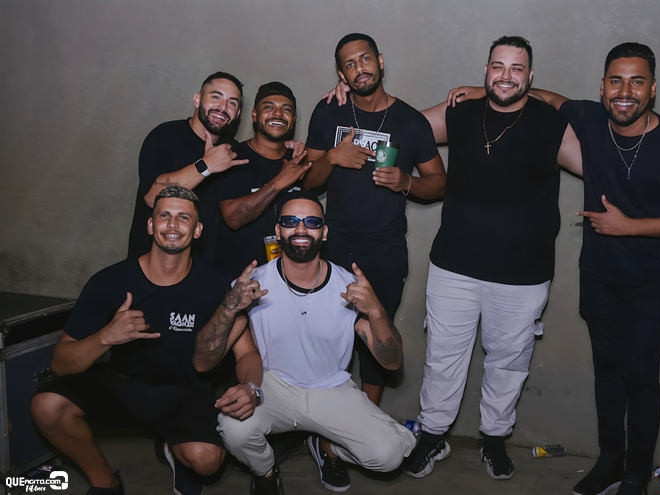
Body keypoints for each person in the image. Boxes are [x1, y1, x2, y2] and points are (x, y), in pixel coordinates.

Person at [525, 43, 660, 495]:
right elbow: (548, 99)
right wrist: (483, 89)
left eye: (636, 81)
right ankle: (610, 461)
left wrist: (629, 226)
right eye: (616, 80)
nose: (624, 91)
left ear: (652, 88)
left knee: (640, 374)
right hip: (600, 275)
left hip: (652, 282)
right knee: (607, 370)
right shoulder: (590, 119)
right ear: (603, 86)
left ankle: (637, 474)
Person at [405, 36, 582, 481]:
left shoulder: (550, 123)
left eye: (516, 68)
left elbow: (599, 160)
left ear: (530, 76)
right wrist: (351, 100)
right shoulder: (461, 112)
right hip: (454, 267)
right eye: (498, 67)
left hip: (523, 275)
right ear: (485, 70)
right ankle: (432, 435)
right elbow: (402, 125)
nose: (506, 76)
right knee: (443, 357)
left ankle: (495, 439)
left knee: (509, 362)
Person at [31, 186, 251, 495]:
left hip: (185, 391)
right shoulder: (110, 281)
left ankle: (176, 448)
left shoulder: (216, 285)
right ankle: (105, 483)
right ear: (150, 225)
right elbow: (61, 363)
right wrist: (106, 337)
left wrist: (251, 387)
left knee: (207, 461)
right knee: (47, 405)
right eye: (164, 215)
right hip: (123, 385)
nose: (172, 224)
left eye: (183, 217)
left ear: (198, 230)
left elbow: (247, 353)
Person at [193, 196, 417, 494]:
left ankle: (329, 448)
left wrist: (376, 310)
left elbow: (392, 361)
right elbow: (203, 361)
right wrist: (229, 306)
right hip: (273, 386)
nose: (300, 229)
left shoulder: (348, 286)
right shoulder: (252, 285)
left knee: (389, 454)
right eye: (290, 221)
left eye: (311, 222)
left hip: (331, 388)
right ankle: (266, 472)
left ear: (324, 232)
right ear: (278, 231)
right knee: (233, 428)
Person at [304, 33, 446, 406]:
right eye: (349, 64)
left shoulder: (411, 121)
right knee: (324, 335)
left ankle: (366, 418)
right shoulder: (328, 111)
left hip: (386, 249)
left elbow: (439, 183)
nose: (359, 68)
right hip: (334, 246)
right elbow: (309, 181)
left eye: (365, 59)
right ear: (341, 73)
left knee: (376, 337)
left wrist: (407, 182)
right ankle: (322, 420)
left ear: (380, 61)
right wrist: (331, 158)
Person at [127, 72, 249, 261]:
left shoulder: (233, 152)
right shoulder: (166, 136)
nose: (223, 107)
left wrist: (291, 148)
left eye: (232, 103)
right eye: (216, 97)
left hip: (204, 270)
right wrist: (206, 165)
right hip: (152, 266)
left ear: (238, 113)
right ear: (197, 100)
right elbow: (152, 197)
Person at [212, 81, 312, 277]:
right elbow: (233, 219)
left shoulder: (300, 161)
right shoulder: (232, 157)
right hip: (238, 278)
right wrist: (278, 183)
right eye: (269, 107)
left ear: (293, 119)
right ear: (254, 115)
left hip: (288, 280)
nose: (278, 114)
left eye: (286, 109)